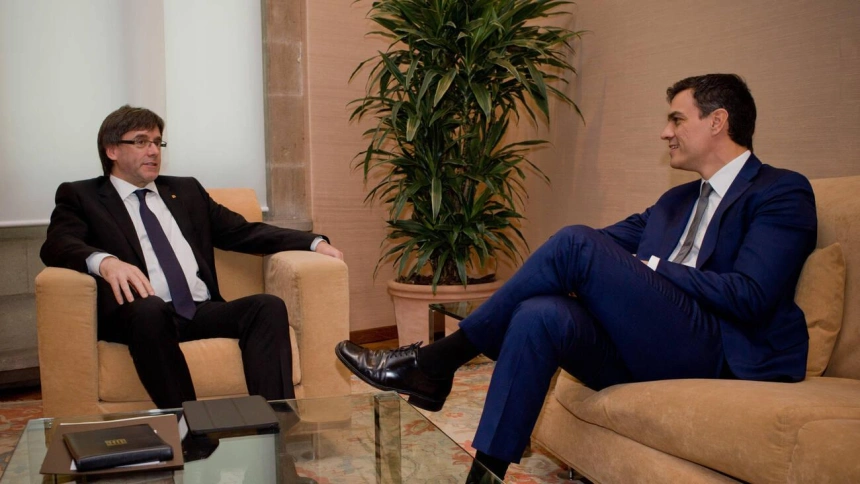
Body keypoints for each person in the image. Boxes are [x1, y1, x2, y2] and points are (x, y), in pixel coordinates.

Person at [335, 74, 818, 481]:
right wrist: (588, 272)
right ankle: (483, 475)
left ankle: (435, 362)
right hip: (649, 344)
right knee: (540, 313)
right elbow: (588, 250)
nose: (664, 132)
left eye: (676, 119)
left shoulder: (780, 191)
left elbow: (751, 295)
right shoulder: (675, 201)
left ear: (717, 121)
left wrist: (652, 269)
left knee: (573, 243)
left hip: (717, 348)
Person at [41, 105, 343, 410]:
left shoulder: (185, 191)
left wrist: (312, 242)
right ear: (112, 150)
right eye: (141, 141)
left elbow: (243, 231)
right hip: (139, 316)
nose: (153, 151)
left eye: (157, 142)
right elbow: (57, 244)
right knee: (149, 309)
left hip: (198, 310)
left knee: (267, 306)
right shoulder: (82, 196)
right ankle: (189, 424)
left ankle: (275, 424)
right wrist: (106, 262)